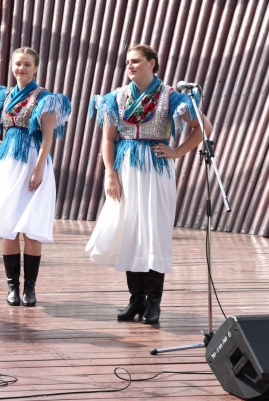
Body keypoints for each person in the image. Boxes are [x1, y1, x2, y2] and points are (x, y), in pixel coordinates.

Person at [86, 44, 212, 324]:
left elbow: (205, 128)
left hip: (156, 170)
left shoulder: (172, 96)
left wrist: (178, 151)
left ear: (152, 63)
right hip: (126, 170)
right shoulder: (116, 97)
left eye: (136, 61)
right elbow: (108, 138)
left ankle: (154, 302)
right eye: (127, 62)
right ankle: (136, 300)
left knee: (153, 232)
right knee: (129, 231)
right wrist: (110, 173)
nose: (129, 66)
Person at [0, 47, 72, 307]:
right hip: (8, 162)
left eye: (27, 64)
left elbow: (48, 137)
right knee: (9, 226)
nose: (22, 69)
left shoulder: (46, 98)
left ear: (36, 67)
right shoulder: (3, 95)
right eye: (18, 64)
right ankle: (12, 287)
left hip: (32, 161)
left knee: (30, 230)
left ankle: (30, 288)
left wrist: (38, 169)